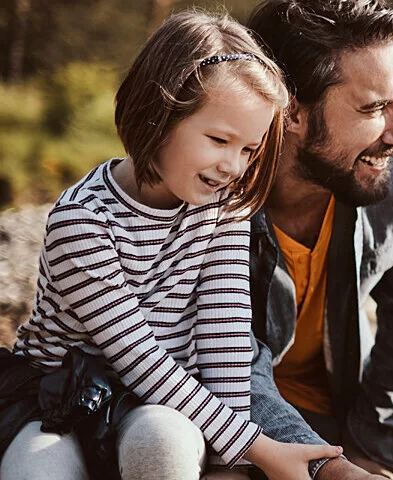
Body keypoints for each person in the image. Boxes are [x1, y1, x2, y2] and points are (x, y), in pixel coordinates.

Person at [0, 10, 341, 480]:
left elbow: (224, 340)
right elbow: (139, 358)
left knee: (163, 441)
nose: (233, 166)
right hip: (58, 402)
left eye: (249, 149)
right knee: (37, 472)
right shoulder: (83, 220)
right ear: (160, 114)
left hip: (163, 407)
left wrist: (231, 464)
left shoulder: (224, 206)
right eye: (219, 139)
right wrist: (260, 450)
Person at [241, 0, 393, 478]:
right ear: (291, 111)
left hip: (339, 419)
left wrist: (370, 456)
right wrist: (330, 471)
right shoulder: (215, 173)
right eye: (376, 107)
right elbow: (218, 353)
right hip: (216, 418)